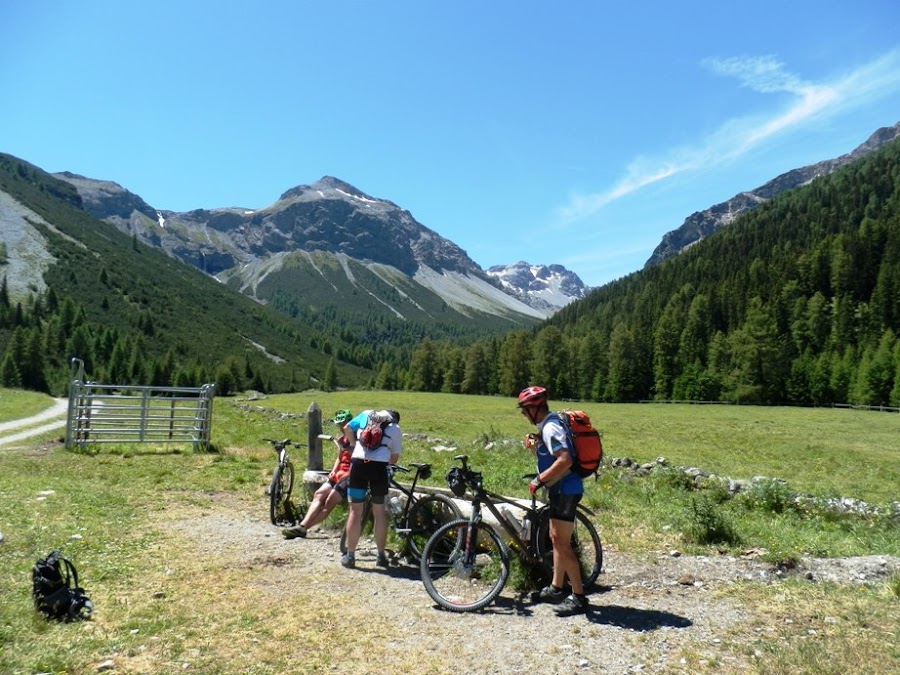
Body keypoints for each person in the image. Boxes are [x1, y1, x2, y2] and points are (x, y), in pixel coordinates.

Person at [517, 386, 589, 616]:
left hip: (565, 490)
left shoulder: (550, 427)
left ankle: (578, 596)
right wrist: (536, 441)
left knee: (562, 543)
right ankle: (556, 587)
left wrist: (539, 480)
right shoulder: (547, 426)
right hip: (562, 489)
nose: (523, 415)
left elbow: (565, 460)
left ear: (533, 408)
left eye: (524, 410)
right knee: (556, 539)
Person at [340, 408, 402, 569]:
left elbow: (347, 428)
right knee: (379, 512)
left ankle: (350, 556)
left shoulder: (366, 414)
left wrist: (354, 445)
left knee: (355, 511)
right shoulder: (395, 428)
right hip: (379, 469)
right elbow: (394, 458)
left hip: (359, 465)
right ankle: (381, 556)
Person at [282, 409, 354, 539]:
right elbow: (340, 456)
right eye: (339, 424)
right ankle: (303, 526)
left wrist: (343, 446)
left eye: (343, 423)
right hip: (339, 474)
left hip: (349, 476)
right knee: (319, 494)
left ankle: (303, 527)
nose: (341, 427)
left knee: (329, 502)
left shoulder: (357, 438)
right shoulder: (343, 438)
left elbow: (358, 454)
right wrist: (334, 470)